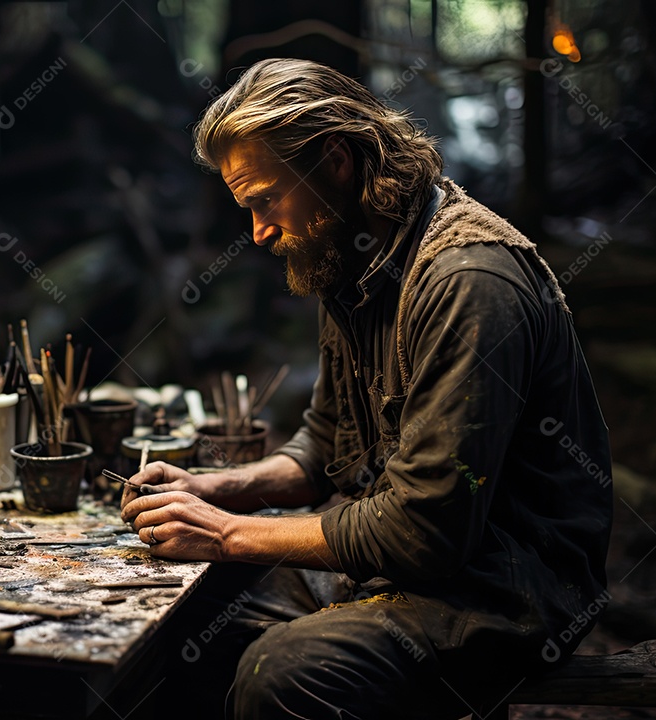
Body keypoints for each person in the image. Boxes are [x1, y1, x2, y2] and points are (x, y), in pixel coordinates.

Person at [119, 58, 613, 720]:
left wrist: (231, 534)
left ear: (338, 160)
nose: (260, 232)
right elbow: (325, 445)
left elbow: (424, 531)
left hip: (507, 588)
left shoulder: (468, 281)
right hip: (401, 569)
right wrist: (214, 489)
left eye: (266, 200)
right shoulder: (348, 254)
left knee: (284, 674)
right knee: (182, 608)